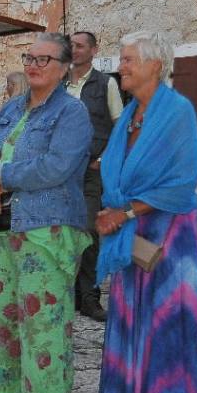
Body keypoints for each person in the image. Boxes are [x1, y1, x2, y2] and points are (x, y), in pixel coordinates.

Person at [94, 30, 197, 393]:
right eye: (122, 59)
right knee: (131, 326)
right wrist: (113, 207)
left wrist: (123, 213)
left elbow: (181, 184)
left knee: (167, 328)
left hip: (168, 238)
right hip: (133, 237)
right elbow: (116, 167)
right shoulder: (130, 115)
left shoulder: (177, 112)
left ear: (154, 65)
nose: (122, 66)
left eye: (128, 60)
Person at [0, 33, 92, 393]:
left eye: (44, 59)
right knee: (5, 315)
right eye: (30, 58)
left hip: (46, 228)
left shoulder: (71, 114)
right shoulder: (12, 107)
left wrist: (1, 178)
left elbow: (57, 165)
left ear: (63, 68)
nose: (34, 65)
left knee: (42, 318)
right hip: (4, 227)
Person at [66, 31, 125, 321]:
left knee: (89, 230)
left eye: (79, 46)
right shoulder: (59, 83)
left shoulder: (106, 83)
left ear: (93, 50)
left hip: (91, 172)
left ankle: (89, 297)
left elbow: (121, 126)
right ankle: (67, 293)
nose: (74, 50)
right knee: (62, 230)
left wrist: (103, 159)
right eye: (71, 46)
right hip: (62, 171)